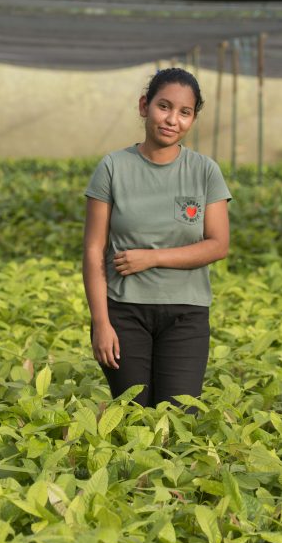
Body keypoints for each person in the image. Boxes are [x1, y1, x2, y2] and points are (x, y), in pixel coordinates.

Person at [83, 67, 231, 408]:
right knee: (133, 415)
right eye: (164, 106)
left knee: (179, 415)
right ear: (144, 106)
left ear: (193, 119)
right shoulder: (113, 167)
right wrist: (101, 323)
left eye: (184, 112)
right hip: (124, 312)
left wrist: (152, 257)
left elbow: (218, 245)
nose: (172, 119)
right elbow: (93, 250)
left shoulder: (204, 171)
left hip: (187, 315)